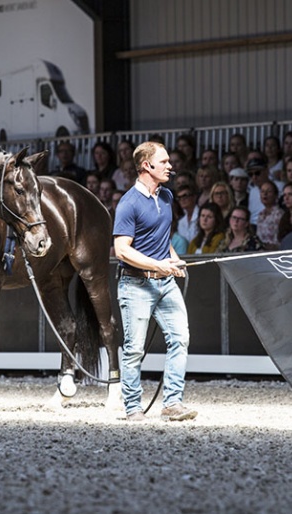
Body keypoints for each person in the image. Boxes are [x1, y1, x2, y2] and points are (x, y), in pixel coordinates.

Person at [112, 140, 197, 422]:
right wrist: (158, 265)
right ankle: (133, 408)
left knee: (180, 339)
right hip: (136, 284)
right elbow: (122, 249)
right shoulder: (128, 203)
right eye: (164, 162)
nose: (170, 166)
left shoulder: (167, 197)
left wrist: (172, 258)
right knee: (134, 349)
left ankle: (172, 403)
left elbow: (163, 239)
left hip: (165, 283)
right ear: (147, 166)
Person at [256, 180, 284, 250]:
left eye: (269, 192)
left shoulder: (280, 214)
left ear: (276, 195)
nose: (265, 194)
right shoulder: (260, 214)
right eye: (262, 191)